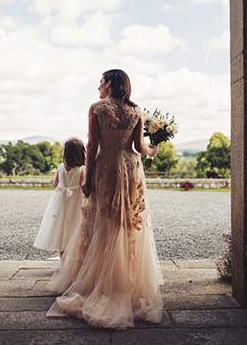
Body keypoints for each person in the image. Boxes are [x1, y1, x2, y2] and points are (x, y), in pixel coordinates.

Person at [47, 70, 163, 329]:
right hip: (131, 168)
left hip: (106, 166)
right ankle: (125, 281)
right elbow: (138, 147)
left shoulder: (97, 108)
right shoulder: (136, 111)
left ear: (109, 84)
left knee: (102, 220)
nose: (98, 86)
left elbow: (91, 144)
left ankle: (100, 280)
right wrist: (153, 150)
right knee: (127, 222)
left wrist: (87, 179)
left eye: (100, 82)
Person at [33, 138, 86, 258]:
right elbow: (83, 186)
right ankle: (74, 258)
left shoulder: (60, 167)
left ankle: (62, 259)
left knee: (61, 229)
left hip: (61, 201)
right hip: (75, 201)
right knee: (73, 227)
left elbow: (55, 184)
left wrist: (65, 186)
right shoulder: (81, 169)